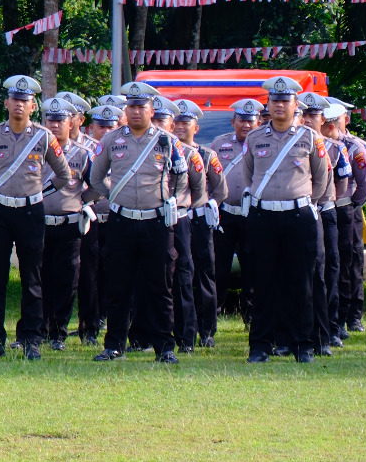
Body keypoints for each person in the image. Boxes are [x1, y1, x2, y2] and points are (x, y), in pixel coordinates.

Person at [0, 75, 71, 361]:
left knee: (32, 277)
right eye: (15, 99)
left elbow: (64, 174)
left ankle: (30, 339)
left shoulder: (43, 137)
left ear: (33, 106)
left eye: (25, 101)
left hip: (30, 211)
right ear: (6, 103)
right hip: (0, 210)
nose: (19, 105)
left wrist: (40, 192)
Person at [88, 81, 187, 364]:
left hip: (156, 224)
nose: (135, 112)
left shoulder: (167, 141)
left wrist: (170, 202)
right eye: (131, 106)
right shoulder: (111, 140)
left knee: (159, 288)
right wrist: (115, 198)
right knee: (118, 286)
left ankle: (164, 347)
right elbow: (95, 178)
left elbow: (181, 178)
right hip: (122, 222)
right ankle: (114, 345)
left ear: (151, 109)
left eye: (141, 106)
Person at [241, 76, 329, 363]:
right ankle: (260, 346)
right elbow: (248, 174)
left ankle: (303, 344)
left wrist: (303, 202)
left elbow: (321, 178)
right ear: (268, 104)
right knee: (263, 282)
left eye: (285, 101)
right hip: (263, 215)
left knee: (301, 283)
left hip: (298, 216)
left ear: (295, 105)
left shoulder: (310, 138)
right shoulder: (255, 138)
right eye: (275, 101)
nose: (280, 105)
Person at [172, 100, 225, 350]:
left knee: (204, 274)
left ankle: (206, 329)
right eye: (177, 122)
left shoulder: (206, 155)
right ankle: (180, 327)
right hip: (174, 219)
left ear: (196, 127)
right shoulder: (167, 151)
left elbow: (220, 189)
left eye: (186, 122)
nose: (180, 126)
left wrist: (208, 205)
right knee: (178, 273)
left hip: (199, 219)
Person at [37, 97, 87, 352]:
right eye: (50, 120)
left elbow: (99, 184)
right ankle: (37, 329)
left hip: (69, 224)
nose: (54, 126)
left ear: (72, 123)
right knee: (38, 277)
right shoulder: (33, 148)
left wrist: (81, 201)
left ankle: (58, 332)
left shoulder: (83, 153)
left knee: (66, 279)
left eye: (59, 121)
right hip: (40, 222)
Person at [210, 98, 261, 325]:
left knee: (252, 266)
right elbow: (209, 177)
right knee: (219, 266)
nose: (246, 126)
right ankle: (214, 312)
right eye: (242, 120)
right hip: (226, 214)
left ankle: (250, 315)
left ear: (258, 122)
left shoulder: (264, 144)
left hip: (253, 215)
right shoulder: (219, 144)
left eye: (251, 121)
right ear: (233, 122)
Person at [305, 96, 348, 354]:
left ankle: (331, 328)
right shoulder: (292, 143)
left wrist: (329, 199)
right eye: (305, 115)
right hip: (298, 214)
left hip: (325, 210)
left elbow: (342, 181)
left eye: (314, 116)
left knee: (328, 269)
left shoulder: (333, 148)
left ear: (323, 120)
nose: (309, 120)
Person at [77, 102, 118, 346]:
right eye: (101, 127)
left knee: (114, 274)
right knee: (89, 275)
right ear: (91, 128)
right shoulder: (86, 150)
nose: (105, 131)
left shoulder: (123, 147)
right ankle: (90, 323)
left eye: (110, 126)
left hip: (115, 219)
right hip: (91, 220)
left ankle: (110, 318)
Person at [336, 107, 366, 334]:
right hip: (330, 211)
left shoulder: (359, 147)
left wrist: (353, 206)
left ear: (346, 119)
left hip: (351, 210)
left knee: (353, 263)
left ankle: (354, 316)